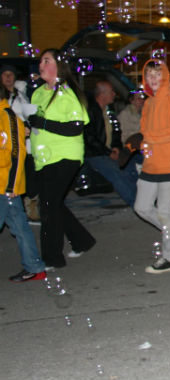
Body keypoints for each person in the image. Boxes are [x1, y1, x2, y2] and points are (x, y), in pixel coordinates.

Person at [29, 48, 96, 268]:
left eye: (46, 60)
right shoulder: (38, 93)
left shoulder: (67, 94)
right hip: (43, 158)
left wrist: (43, 124)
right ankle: (82, 241)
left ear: (58, 66)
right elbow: (36, 123)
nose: (41, 64)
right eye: (40, 60)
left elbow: (75, 128)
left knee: (48, 206)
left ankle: (52, 258)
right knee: (54, 203)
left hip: (66, 157)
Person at [135, 59, 170, 274]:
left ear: (165, 76)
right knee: (141, 207)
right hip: (152, 163)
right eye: (149, 75)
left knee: (165, 211)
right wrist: (140, 143)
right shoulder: (148, 103)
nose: (153, 79)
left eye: (157, 74)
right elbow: (144, 131)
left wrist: (145, 137)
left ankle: (169, 258)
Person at [0, 87, 47, 282]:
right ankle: (34, 267)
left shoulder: (7, 116)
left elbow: (17, 153)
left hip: (4, 185)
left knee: (19, 225)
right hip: (5, 185)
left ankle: (34, 267)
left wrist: (11, 186)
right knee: (19, 226)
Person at [84, 80, 138, 207]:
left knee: (130, 168)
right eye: (111, 92)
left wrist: (116, 147)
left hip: (108, 151)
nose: (114, 94)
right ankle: (135, 202)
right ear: (102, 94)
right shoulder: (91, 111)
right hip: (95, 154)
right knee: (115, 173)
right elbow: (90, 139)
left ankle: (142, 200)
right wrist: (109, 153)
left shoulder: (108, 110)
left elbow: (116, 131)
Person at [1, 64, 40, 222]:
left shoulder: (22, 92)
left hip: (27, 143)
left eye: (11, 74)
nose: (8, 77)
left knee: (30, 174)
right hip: (8, 145)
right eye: (5, 74)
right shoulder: (2, 97)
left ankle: (30, 205)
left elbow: (30, 112)